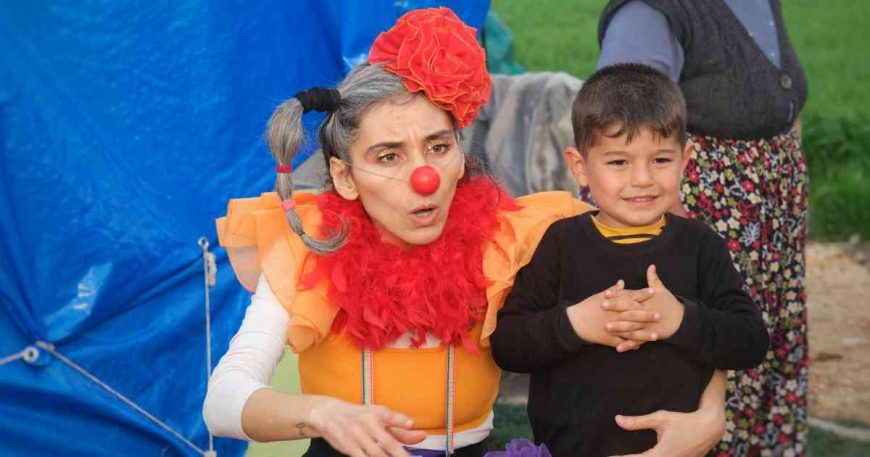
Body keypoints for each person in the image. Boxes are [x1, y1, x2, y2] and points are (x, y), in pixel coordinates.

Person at [204, 8, 728, 457]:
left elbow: (678, 286)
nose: (423, 179)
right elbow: (222, 399)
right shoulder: (310, 243)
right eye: (388, 156)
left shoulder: (516, 237)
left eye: (437, 147)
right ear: (344, 175)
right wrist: (321, 414)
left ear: (460, 152)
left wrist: (711, 412)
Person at [490, 64, 769, 457]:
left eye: (660, 160)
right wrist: (576, 324)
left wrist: (679, 319)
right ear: (580, 167)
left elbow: (750, 342)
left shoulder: (700, 246)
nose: (642, 179)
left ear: (685, 160)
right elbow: (508, 345)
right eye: (619, 162)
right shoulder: (559, 243)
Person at [596, 1, 809, 454]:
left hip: (761, 220)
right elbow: (622, 133)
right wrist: (676, 240)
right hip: (699, 214)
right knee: (700, 351)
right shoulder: (652, 11)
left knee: (752, 344)